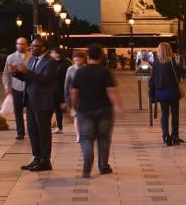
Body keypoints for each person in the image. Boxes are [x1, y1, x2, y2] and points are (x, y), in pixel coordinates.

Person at [11, 36, 62, 172]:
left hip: (43, 102)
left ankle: (45, 160)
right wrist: (17, 74)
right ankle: (37, 157)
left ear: (43, 48)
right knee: (33, 131)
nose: (31, 48)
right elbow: (30, 78)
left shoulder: (50, 62)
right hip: (30, 101)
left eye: (35, 46)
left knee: (43, 132)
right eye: (31, 46)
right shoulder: (33, 59)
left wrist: (26, 71)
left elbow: (44, 80)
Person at [71, 43, 121, 178]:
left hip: (85, 110)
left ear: (88, 56)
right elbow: (111, 90)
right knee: (104, 138)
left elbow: (74, 92)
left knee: (86, 137)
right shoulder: (105, 71)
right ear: (100, 56)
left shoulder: (80, 71)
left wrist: (73, 106)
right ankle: (103, 166)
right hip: (104, 109)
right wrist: (117, 105)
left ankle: (88, 159)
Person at [151, 42, 184, 146]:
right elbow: (178, 77)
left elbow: (153, 79)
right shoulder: (173, 62)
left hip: (161, 93)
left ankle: (166, 137)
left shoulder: (156, 63)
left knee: (164, 115)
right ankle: (175, 136)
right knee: (175, 115)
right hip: (173, 91)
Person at [49, 45, 68, 132]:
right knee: (51, 108)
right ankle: (53, 125)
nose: (51, 54)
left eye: (52, 53)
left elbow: (65, 79)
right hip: (51, 89)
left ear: (57, 54)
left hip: (59, 90)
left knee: (58, 109)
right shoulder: (51, 62)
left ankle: (59, 127)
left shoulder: (64, 64)